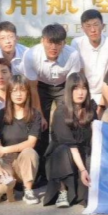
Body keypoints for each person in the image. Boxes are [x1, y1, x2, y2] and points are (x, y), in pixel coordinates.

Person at [22, 23, 81, 181]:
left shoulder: (72, 55)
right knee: (39, 124)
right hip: (40, 86)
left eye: (58, 43)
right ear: (42, 40)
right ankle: (40, 171)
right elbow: (32, 87)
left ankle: (65, 168)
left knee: (65, 123)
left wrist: (64, 113)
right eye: (50, 42)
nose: (53, 47)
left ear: (64, 43)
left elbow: (71, 85)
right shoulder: (31, 55)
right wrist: (40, 114)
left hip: (64, 86)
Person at [43, 73, 96, 208]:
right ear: (69, 91)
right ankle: (62, 190)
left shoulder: (91, 109)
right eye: (75, 88)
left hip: (83, 154)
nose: (80, 93)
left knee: (85, 196)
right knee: (63, 150)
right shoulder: (61, 112)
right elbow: (71, 146)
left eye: (83, 88)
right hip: (61, 158)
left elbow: (95, 137)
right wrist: (83, 170)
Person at [0, 75, 42, 205]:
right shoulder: (0, 114)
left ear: (28, 92)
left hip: (24, 162)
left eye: (22, 90)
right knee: (2, 189)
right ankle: (4, 186)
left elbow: (31, 143)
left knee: (29, 151)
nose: (18, 94)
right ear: (9, 93)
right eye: (14, 90)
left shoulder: (35, 114)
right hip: (4, 160)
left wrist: (6, 149)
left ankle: (28, 191)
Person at [71, 9, 108, 117]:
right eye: (88, 26)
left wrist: (102, 104)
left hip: (106, 92)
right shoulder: (76, 43)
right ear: (82, 28)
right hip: (83, 92)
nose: (93, 30)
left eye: (96, 25)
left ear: (103, 26)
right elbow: (78, 73)